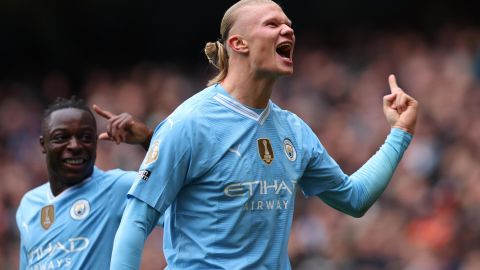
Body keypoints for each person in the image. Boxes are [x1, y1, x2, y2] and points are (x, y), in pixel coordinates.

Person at [110, 0, 418, 269]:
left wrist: (400, 132)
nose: (287, 31)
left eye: (288, 25)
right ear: (238, 43)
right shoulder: (189, 123)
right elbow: (136, 221)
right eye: (272, 24)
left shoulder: (294, 131)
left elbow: (354, 198)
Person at [15, 96, 155, 270]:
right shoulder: (28, 204)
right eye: (61, 137)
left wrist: (148, 138)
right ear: (44, 144)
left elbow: (171, 178)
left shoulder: (118, 186)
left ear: (96, 142)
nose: (75, 146)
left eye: (86, 137)